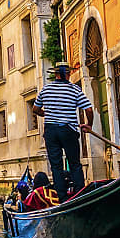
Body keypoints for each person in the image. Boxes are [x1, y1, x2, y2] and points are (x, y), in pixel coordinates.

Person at [32, 61, 94, 198]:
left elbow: (35, 109)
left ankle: (62, 197)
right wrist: (89, 124)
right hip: (68, 130)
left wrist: (46, 113)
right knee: (75, 164)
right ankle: (79, 195)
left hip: (51, 131)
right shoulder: (74, 89)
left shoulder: (45, 89)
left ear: (55, 74)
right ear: (68, 73)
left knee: (56, 166)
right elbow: (89, 109)